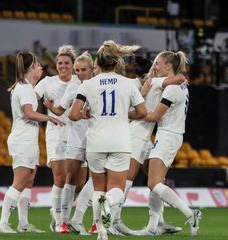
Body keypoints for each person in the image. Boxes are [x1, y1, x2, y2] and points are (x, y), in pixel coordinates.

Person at [69, 40, 147, 240]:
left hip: (96, 142)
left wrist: (87, 114)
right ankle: (109, 204)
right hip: (120, 141)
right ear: (115, 63)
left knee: (98, 190)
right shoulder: (127, 83)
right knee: (116, 190)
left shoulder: (88, 84)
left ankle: (101, 233)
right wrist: (124, 114)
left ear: (98, 64)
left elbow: (72, 114)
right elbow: (142, 112)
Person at [112, 56, 185, 235]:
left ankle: (158, 221)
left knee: (156, 179)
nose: (155, 67)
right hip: (136, 135)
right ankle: (113, 220)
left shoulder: (148, 83)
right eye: (154, 65)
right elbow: (180, 78)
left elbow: (179, 78)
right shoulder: (152, 82)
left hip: (146, 138)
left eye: (157, 64)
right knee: (127, 179)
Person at [0, 51, 64, 234]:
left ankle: (23, 224)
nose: (41, 67)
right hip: (22, 141)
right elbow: (28, 112)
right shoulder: (24, 88)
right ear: (31, 68)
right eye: (38, 64)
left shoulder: (26, 87)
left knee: (28, 181)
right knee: (20, 181)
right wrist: (51, 118)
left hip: (29, 140)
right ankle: (3, 222)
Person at [140, 51, 201, 236]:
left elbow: (155, 116)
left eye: (158, 63)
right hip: (170, 134)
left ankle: (191, 214)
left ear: (168, 66)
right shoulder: (182, 86)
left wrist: (130, 113)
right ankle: (155, 224)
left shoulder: (172, 88)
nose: (155, 66)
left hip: (168, 135)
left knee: (153, 183)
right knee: (155, 178)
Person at [43, 51, 94, 235]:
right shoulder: (73, 87)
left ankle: (84, 219)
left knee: (84, 183)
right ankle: (63, 221)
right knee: (69, 180)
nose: (79, 73)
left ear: (92, 69)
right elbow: (60, 110)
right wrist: (50, 108)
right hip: (73, 137)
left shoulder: (96, 85)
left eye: (83, 69)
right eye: (78, 70)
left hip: (93, 138)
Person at [34, 45, 79, 232]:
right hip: (56, 136)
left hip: (77, 134)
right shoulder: (47, 82)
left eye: (66, 63)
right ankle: (59, 219)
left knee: (75, 181)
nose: (62, 66)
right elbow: (31, 96)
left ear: (73, 64)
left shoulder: (79, 81)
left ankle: (62, 216)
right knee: (60, 178)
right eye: (59, 62)